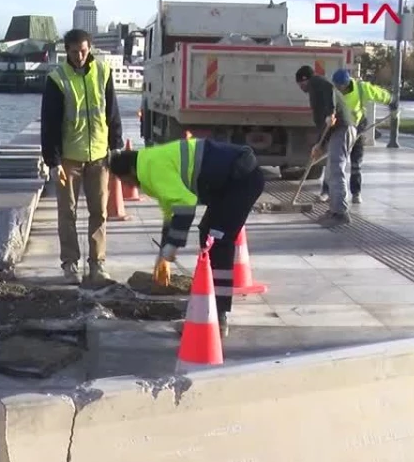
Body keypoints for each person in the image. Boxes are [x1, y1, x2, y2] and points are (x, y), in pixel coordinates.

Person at [107, 138, 265, 337]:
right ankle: (209, 309)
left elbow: (185, 204)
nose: (125, 185)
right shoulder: (148, 164)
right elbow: (170, 214)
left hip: (242, 179)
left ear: (129, 172)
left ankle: (218, 318)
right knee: (207, 232)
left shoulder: (152, 169)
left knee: (218, 242)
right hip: (227, 184)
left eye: (122, 180)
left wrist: (172, 247)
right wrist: (163, 255)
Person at [40, 28, 124, 285]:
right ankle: (70, 263)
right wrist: (52, 162)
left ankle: (97, 264)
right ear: (66, 50)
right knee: (68, 213)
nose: (79, 56)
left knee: (99, 212)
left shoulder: (103, 72)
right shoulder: (57, 79)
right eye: (74, 51)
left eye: (84, 51)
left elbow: (112, 112)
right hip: (68, 159)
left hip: (99, 156)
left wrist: (116, 146)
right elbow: (49, 124)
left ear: (90, 49)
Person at [319, 68, 397, 204]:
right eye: (336, 86)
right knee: (334, 161)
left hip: (356, 129)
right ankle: (326, 191)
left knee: (356, 163)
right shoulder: (333, 91)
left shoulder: (361, 89)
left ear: (346, 83)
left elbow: (378, 93)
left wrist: (392, 101)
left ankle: (356, 193)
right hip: (339, 130)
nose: (338, 89)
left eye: (340, 86)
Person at [295, 65, 356, 226]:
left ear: (304, 80)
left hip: (341, 128)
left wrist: (331, 113)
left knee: (336, 170)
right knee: (330, 170)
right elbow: (324, 120)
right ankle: (334, 209)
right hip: (338, 129)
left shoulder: (316, 83)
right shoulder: (317, 85)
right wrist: (319, 144)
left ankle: (341, 214)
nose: (301, 88)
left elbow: (329, 99)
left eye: (300, 85)